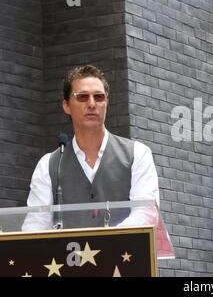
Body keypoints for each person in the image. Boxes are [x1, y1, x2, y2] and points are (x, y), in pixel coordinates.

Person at [22, 65, 159, 230]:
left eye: (99, 97)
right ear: (66, 105)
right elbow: (34, 228)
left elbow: (147, 214)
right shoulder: (48, 165)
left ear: (107, 102)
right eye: (82, 97)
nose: (92, 104)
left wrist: (103, 240)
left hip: (124, 254)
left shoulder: (138, 154)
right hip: (68, 256)